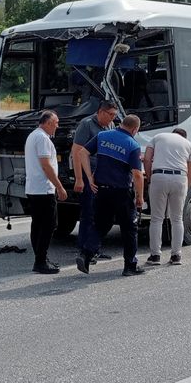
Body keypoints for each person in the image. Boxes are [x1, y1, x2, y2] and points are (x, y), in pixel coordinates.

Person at [75, 114, 145, 276]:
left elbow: (82, 153)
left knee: (100, 224)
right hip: (121, 192)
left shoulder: (103, 135)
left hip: (101, 189)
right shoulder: (132, 145)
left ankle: (86, 254)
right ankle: (130, 266)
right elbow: (137, 174)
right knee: (129, 228)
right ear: (135, 129)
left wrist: (90, 175)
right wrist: (140, 196)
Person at [71, 101, 119, 262]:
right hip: (87, 174)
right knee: (88, 212)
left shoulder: (110, 124)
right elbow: (77, 152)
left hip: (102, 175)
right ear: (101, 112)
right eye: (111, 114)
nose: (113, 118)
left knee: (100, 213)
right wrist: (79, 179)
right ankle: (84, 249)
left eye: (115, 115)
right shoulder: (86, 125)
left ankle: (95, 248)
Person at [143, 128, 191, 265]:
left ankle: (155, 256)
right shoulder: (189, 145)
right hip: (179, 179)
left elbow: (147, 159)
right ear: (184, 136)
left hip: (159, 176)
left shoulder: (158, 136)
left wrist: (150, 178)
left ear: (173, 133)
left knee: (156, 219)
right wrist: (186, 187)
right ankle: (176, 255)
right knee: (177, 219)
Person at [25, 110, 67, 274]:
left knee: (38, 224)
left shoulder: (33, 135)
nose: (57, 126)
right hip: (43, 188)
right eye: (56, 123)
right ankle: (40, 260)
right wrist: (59, 186)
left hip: (34, 188)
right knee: (49, 225)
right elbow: (46, 165)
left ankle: (40, 258)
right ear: (48, 122)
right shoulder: (42, 138)